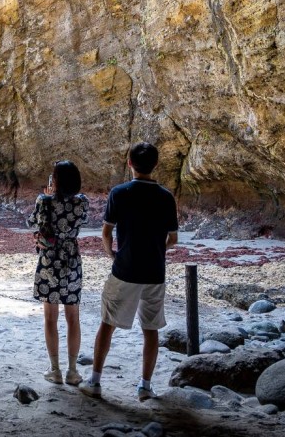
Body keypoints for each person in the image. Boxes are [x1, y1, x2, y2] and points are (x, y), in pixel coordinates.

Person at [79, 142, 178, 401]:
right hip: (155, 272)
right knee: (151, 329)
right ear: (156, 165)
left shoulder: (119, 193)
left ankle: (95, 381)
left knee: (107, 324)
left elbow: (106, 231)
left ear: (129, 163)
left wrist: (112, 252)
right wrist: (158, 251)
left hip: (125, 270)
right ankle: (145, 386)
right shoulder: (166, 197)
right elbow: (173, 238)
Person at [28, 160, 89, 385]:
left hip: (49, 260)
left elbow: (31, 221)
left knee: (50, 318)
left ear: (55, 180)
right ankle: (73, 371)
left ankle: (55, 370)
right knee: (73, 318)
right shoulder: (82, 203)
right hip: (71, 260)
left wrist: (47, 197)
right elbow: (82, 220)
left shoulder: (44, 201)